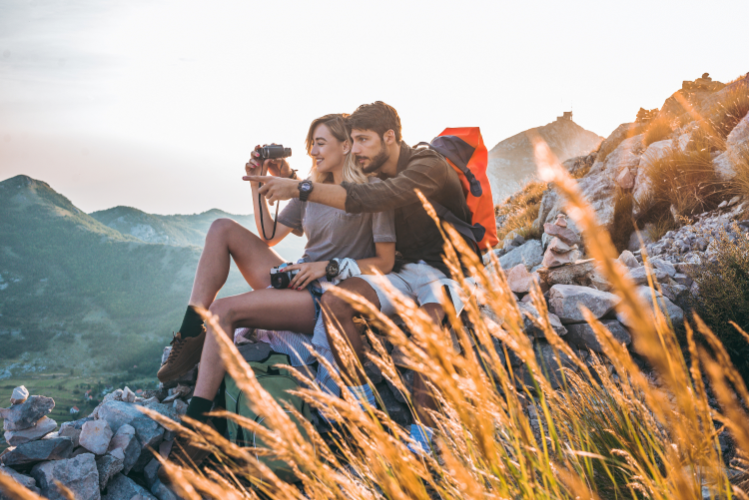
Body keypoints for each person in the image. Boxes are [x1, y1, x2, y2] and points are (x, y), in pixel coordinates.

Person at [156, 113, 396, 476]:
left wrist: (328, 266)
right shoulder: (309, 187)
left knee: (225, 311)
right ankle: (190, 335)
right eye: (310, 143)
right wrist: (260, 184)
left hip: (327, 291)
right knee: (221, 228)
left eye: (320, 143)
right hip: (298, 277)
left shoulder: (370, 192)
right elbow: (268, 235)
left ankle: (198, 430)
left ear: (346, 146)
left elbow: (384, 262)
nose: (313, 151)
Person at [248, 101, 474, 455]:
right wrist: (292, 177)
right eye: (352, 140)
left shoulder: (427, 165)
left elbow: (377, 196)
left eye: (363, 140)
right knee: (337, 302)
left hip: (445, 270)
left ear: (390, 137)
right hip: (399, 270)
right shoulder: (371, 168)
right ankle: (361, 402)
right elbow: (340, 183)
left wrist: (299, 189)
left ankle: (423, 436)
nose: (355, 149)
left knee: (429, 325)